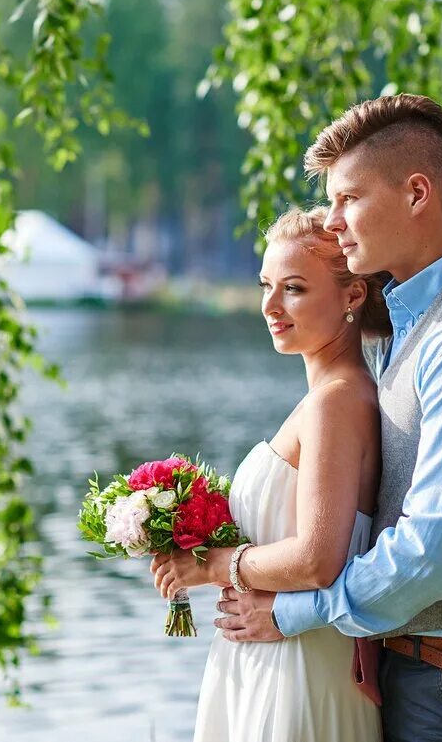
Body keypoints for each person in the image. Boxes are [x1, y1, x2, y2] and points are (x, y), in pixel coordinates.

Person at [190, 94, 442, 742]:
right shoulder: (410, 335)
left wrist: (302, 613)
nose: (333, 218)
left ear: (417, 193)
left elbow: (432, 552)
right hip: (412, 673)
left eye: (349, 197)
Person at [152, 205, 390, 741]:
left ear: (353, 296)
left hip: (302, 665)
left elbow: (317, 559)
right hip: (268, 653)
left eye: (295, 289)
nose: (270, 305)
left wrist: (211, 566)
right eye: (266, 285)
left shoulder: (339, 401)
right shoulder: (324, 398)